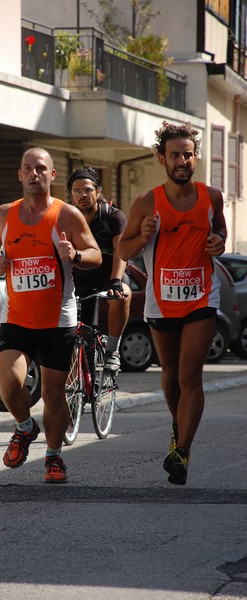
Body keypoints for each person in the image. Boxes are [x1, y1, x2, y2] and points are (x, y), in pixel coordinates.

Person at [0, 147, 102, 484]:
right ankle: (25, 426)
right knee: (9, 383)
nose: (35, 174)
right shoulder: (4, 215)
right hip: (17, 318)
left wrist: (75, 253)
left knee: (53, 394)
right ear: (19, 175)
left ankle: (54, 458)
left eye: (41, 169)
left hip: (57, 320)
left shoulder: (67, 216)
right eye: (28, 169)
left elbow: (95, 255)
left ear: (52, 175)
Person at [118, 121, 227, 485]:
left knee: (189, 373)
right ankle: (178, 424)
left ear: (196, 157)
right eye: (176, 155)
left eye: (189, 154)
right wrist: (144, 234)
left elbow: (221, 230)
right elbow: (123, 249)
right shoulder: (147, 202)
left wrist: (218, 242)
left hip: (201, 295)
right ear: (162, 158)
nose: (183, 160)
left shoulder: (211, 196)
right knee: (169, 375)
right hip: (161, 301)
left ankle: (182, 450)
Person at [67, 167, 131, 373]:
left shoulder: (112, 216)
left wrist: (115, 281)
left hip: (107, 276)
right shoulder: (66, 217)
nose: (82, 195)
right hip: (78, 280)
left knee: (122, 295)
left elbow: (121, 251)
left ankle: (112, 350)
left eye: (87, 190)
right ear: (71, 195)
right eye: (76, 191)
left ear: (98, 191)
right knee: (81, 337)